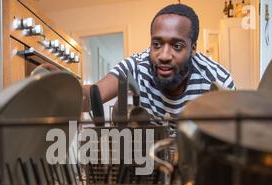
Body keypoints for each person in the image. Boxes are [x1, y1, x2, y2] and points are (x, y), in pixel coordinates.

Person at [83, 3, 236, 119]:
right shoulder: (136, 67)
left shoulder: (217, 79)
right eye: (157, 44)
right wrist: (64, 93)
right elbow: (94, 94)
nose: (164, 55)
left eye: (177, 46)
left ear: (193, 48)